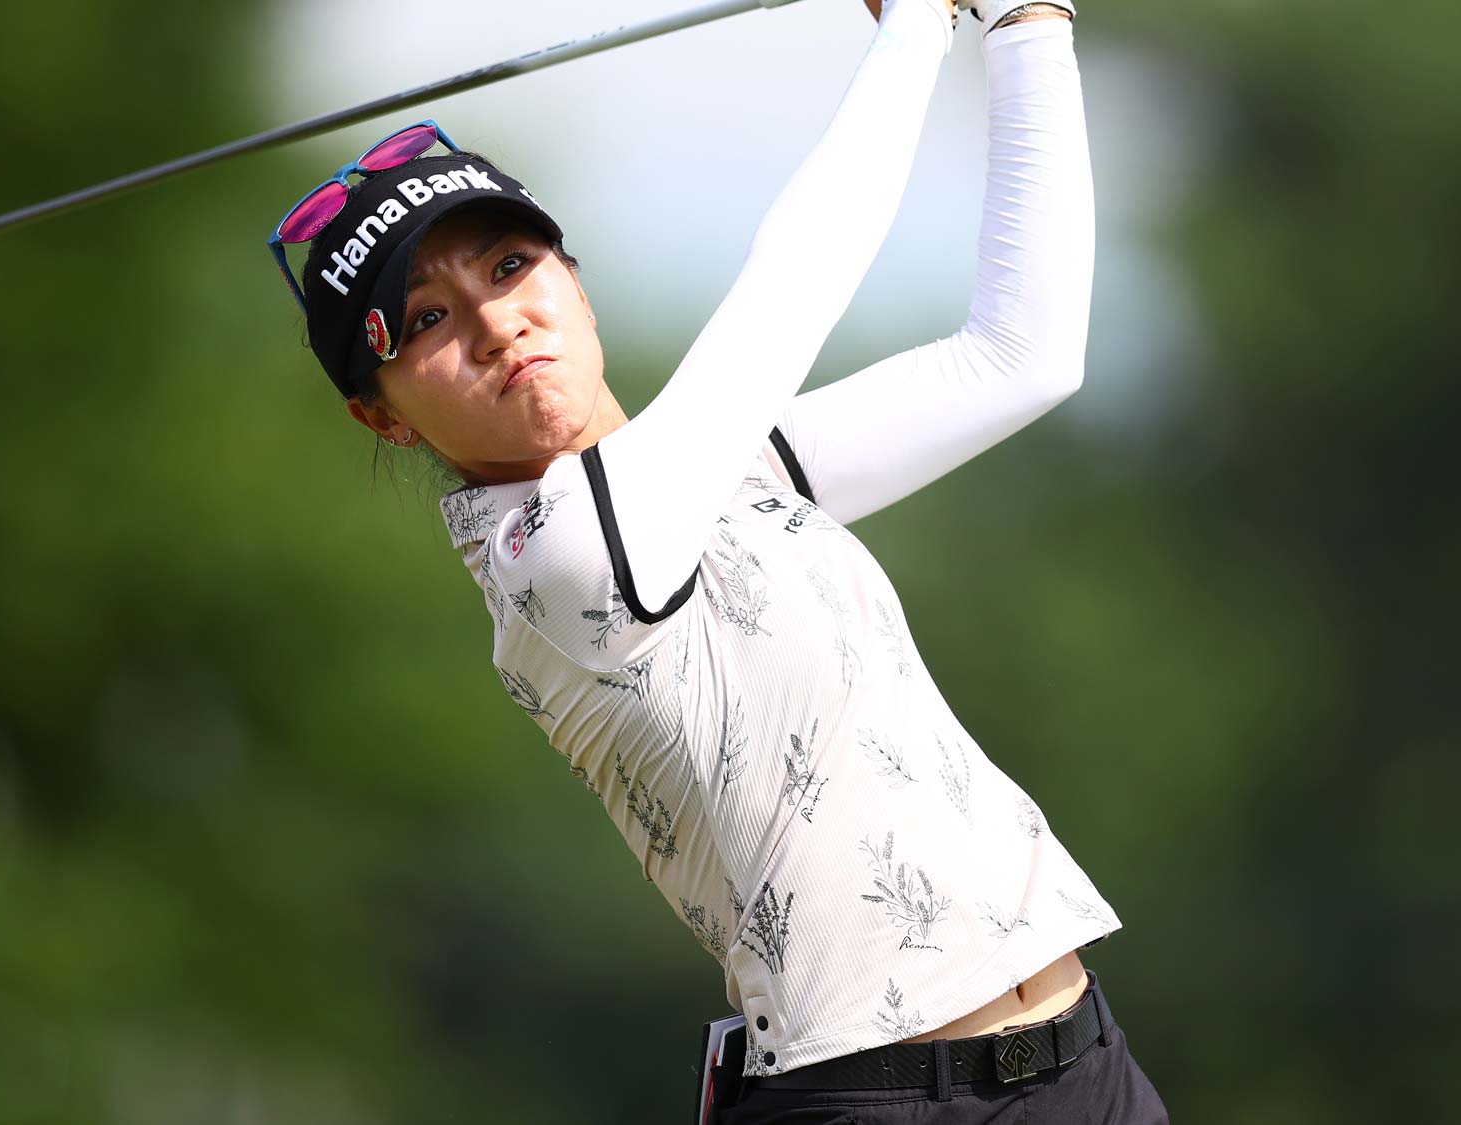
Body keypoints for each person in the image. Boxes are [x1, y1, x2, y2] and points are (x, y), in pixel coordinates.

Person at [269, 0, 1168, 1119]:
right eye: (428, 321)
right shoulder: (561, 556)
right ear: (384, 417)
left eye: (509, 265)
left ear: (573, 278)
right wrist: (916, 28)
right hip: (877, 1104)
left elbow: (1020, 355)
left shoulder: (719, 473)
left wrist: (1027, 24)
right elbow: (793, 284)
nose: (496, 323)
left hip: (1085, 1072)